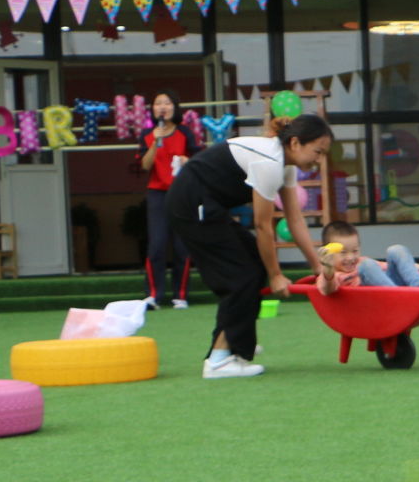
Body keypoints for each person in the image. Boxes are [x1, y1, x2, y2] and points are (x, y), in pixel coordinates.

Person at [166, 115, 335, 380]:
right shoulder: (269, 162)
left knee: (254, 265)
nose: (319, 160)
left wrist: (317, 266)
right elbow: (263, 226)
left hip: (207, 204)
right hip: (189, 203)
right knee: (241, 275)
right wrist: (276, 274)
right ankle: (219, 360)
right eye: (317, 151)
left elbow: (295, 219)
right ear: (295, 143)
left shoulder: (284, 165)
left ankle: (236, 339)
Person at [134, 92, 195, 309]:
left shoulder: (185, 133)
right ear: (152, 109)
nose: (162, 107)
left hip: (182, 192)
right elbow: (145, 165)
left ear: (174, 107)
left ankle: (180, 295)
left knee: (181, 246)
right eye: (158, 103)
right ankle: (153, 295)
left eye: (167, 103)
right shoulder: (147, 134)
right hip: (157, 193)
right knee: (157, 245)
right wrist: (155, 142)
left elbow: (199, 160)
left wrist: (187, 159)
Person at [312, 218, 419, 290]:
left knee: (396, 250)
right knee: (367, 265)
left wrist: (413, 266)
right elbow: (328, 290)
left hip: (391, 288)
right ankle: (399, 296)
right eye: (343, 253)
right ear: (329, 254)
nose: (351, 257)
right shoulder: (331, 274)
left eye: (355, 251)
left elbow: (385, 266)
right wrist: (328, 270)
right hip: (374, 301)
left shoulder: (362, 261)